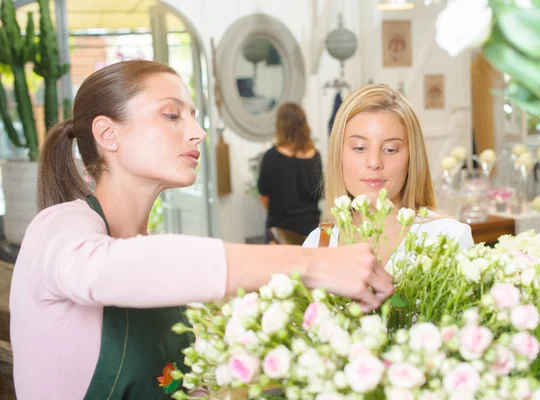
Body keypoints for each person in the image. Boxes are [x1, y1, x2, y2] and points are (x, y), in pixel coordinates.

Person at [9, 61, 393, 400]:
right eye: (172, 115)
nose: (197, 132)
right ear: (108, 134)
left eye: (192, 116)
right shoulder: (57, 228)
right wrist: (312, 264)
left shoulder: (151, 260)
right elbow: (108, 269)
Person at [303, 84, 474, 265]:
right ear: (338, 155)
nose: (374, 162)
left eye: (390, 149)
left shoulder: (450, 239)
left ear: (411, 159)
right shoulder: (318, 244)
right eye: (360, 148)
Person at [258, 102, 323, 242]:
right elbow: (319, 193)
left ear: (280, 126)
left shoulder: (271, 157)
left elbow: (264, 196)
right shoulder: (315, 156)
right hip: (311, 231)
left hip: (280, 231)